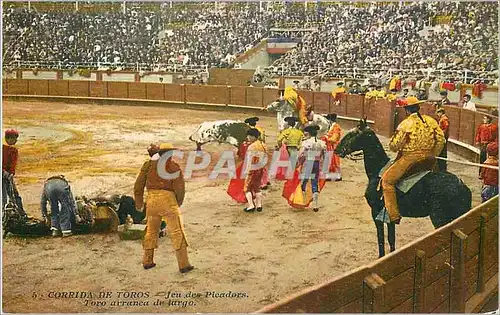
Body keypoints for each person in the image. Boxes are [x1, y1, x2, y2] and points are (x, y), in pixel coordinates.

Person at [381, 96, 445, 224]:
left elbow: (394, 146)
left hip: (411, 159)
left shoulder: (406, 124)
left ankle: (393, 215)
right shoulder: (430, 121)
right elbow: (441, 140)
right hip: (429, 159)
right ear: (418, 108)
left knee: (387, 181)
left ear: (406, 110)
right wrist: (433, 154)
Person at [134, 143, 194, 272]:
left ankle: (147, 260)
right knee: (177, 231)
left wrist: (139, 204)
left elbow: (138, 186)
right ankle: (183, 264)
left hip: (151, 200)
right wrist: (177, 203)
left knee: (151, 231)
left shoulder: (148, 166)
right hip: (168, 200)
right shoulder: (173, 166)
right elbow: (180, 188)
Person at [298, 125, 326, 212]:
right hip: (316, 163)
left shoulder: (306, 142)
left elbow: (301, 154)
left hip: (308, 163)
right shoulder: (322, 143)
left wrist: (299, 163)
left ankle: (302, 202)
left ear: (309, 133)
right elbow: (324, 156)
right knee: (314, 183)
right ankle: (315, 205)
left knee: (303, 182)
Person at [243, 128, 267, 212]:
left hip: (253, 169)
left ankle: (251, 205)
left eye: (249, 136)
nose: (247, 137)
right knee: (257, 187)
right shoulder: (263, 144)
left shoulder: (251, 147)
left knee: (247, 188)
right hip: (260, 168)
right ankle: (259, 205)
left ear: (253, 137)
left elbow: (250, 160)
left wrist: (247, 170)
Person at [2, 129, 25, 216]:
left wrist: (10, 174)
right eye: (15, 138)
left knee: (11, 195)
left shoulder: (6, 149)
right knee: (11, 195)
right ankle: (21, 213)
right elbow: (12, 164)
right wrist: (9, 173)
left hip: (7, 175)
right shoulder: (13, 150)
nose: (16, 140)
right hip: (6, 175)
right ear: (9, 139)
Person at [321, 113, 342, 181]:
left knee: (334, 161)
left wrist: (327, 138)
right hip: (329, 146)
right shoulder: (332, 126)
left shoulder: (336, 127)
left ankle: (336, 176)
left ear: (330, 120)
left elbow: (334, 138)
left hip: (334, 146)